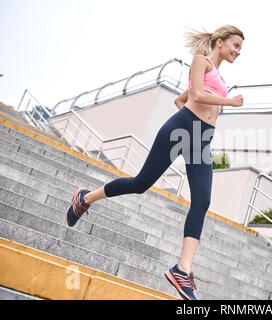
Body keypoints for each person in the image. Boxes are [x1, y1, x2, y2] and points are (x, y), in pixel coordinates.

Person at [65, 24, 244, 300]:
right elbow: (195, 96)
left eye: (240, 49)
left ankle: (181, 270)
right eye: (235, 46)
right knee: (140, 183)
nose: (238, 52)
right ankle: (85, 198)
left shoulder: (218, 76)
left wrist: (202, 115)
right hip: (182, 128)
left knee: (202, 200)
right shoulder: (202, 61)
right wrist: (227, 103)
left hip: (200, 138)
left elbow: (181, 99)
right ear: (220, 42)